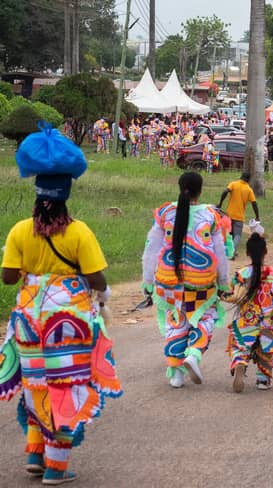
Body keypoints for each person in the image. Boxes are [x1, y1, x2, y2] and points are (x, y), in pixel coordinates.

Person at [0, 127, 121, 484]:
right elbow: (97, 279)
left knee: (37, 384)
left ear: (37, 194)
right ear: (66, 196)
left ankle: (35, 455)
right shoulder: (79, 232)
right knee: (67, 388)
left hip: (27, 322)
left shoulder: (21, 230)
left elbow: (8, 277)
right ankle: (56, 468)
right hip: (68, 325)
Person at [142, 172, 230, 388]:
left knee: (176, 322)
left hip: (167, 282)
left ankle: (176, 373)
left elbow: (151, 249)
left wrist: (147, 282)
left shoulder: (165, 213)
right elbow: (220, 253)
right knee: (204, 317)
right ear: (200, 190)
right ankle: (193, 353)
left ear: (180, 187)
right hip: (201, 283)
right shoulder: (211, 215)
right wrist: (224, 283)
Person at [224, 230, 273, 392]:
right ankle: (262, 379)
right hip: (270, 320)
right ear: (265, 252)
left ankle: (240, 362)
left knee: (239, 345)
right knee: (266, 349)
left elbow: (234, 295)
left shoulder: (241, 274)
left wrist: (221, 296)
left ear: (247, 252)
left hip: (248, 318)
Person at [218, 172, 260, 256]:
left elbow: (225, 191)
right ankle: (232, 252)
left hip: (229, 215)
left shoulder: (233, 184)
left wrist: (220, 203)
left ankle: (228, 251)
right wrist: (257, 216)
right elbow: (254, 203)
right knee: (237, 235)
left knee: (229, 234)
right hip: (239, 217)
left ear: (241, 177)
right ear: (248, 180)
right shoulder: (248, 189)